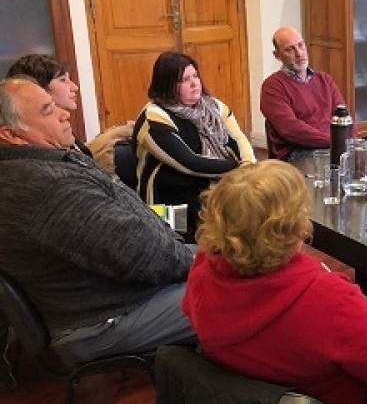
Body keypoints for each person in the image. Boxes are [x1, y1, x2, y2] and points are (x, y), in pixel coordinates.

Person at [183, 160, 367, 404]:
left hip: (241, 386)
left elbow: (189, 311)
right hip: (327, 396)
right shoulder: (329, 297)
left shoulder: (204, 267)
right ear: (294, 227)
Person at [0, 77, 195, 363]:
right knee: (249, 294)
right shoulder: (44, 186)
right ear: (12, 134)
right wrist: (199, 263)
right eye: (47, 110)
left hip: (126, 286)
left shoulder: (43, 163)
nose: (64, 114)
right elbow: (136, 251)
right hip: (107, 317)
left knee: (235, 256)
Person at [133, 51, 256, 238]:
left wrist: (249, 164)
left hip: (207, 193)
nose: (194, 83)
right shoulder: (154, 117)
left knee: (250, 212)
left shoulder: (213, 107)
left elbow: (239, 139)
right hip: (166, 206)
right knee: (219, 230)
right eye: (184, 80)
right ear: (167, 85)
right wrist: (238, 169)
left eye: (195, 76)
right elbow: (189, 163)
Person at [6, 53, 134, 166]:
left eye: (69, 79)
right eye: (63, 80)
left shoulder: (67, 133)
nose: (74, 87)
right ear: (38, 87)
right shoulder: (41, 145)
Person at [260, 26, 346, 161]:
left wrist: (349, 139)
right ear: (277, 55)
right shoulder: (272, 86)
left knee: (364, 155)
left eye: (301, 45)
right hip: (299, 150)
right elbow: (291, 129)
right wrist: (335, 141)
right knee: (341, 163)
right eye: (290, 49)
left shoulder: (325, 80)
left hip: (332, 144)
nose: (299, 54)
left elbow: (344, 115)